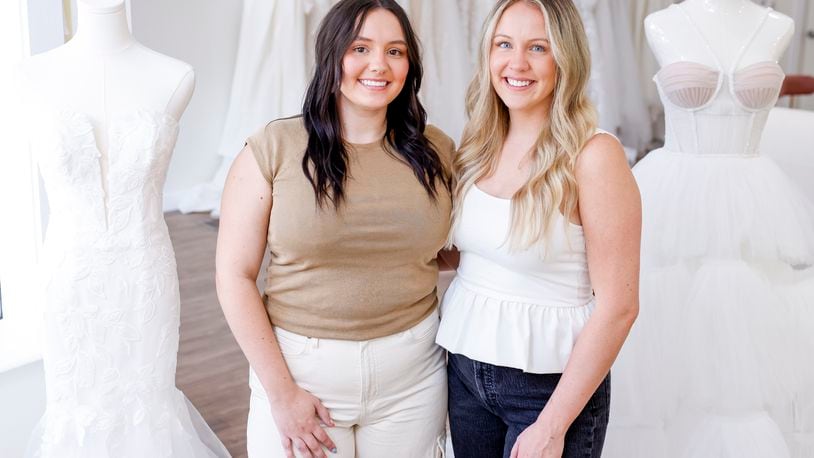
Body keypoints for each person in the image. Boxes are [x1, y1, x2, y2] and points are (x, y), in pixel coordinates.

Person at [215, 1, 455, 457]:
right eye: (360, 47)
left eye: (396, 51)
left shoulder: (437, 151)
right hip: (303, 377)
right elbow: (234, 277)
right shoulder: (272, 149)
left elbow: (449, 249)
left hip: (413, 380)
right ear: (332, 55)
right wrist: (282, 394)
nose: (378, 65)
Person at [434, 1, 641, 457]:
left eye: (538, 48)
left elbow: (620, 307)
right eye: (504, 44)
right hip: (466, 373)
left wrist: (552, 426)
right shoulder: (480, 142)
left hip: (547, 392)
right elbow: (471, 251)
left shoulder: (594, 156)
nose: (517, 63)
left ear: (566, 58)